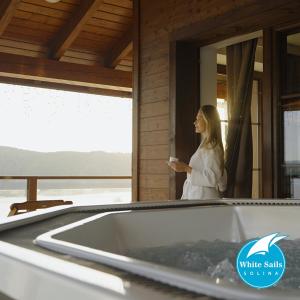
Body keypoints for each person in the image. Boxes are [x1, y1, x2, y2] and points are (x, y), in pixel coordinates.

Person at [168, 105, 227, 200]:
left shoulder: (213, 147)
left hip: (205, 200)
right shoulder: (205, 144)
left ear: (208, 121)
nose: (195, 122)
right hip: (199, 197)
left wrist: (185, 168)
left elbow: (211, 179)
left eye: (199, 118)